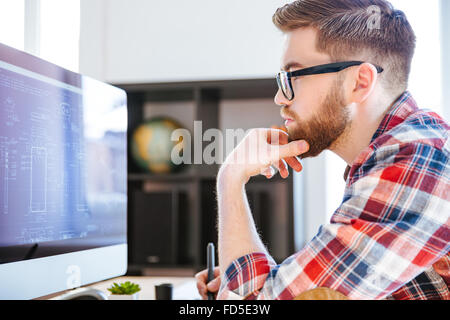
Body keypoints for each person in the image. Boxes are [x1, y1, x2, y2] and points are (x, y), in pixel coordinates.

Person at [196, 0, 449, 300]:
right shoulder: (409, 150)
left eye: (294, 76)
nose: (279, 97)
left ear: (359, 82)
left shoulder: (414, 163)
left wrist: (230, 178)